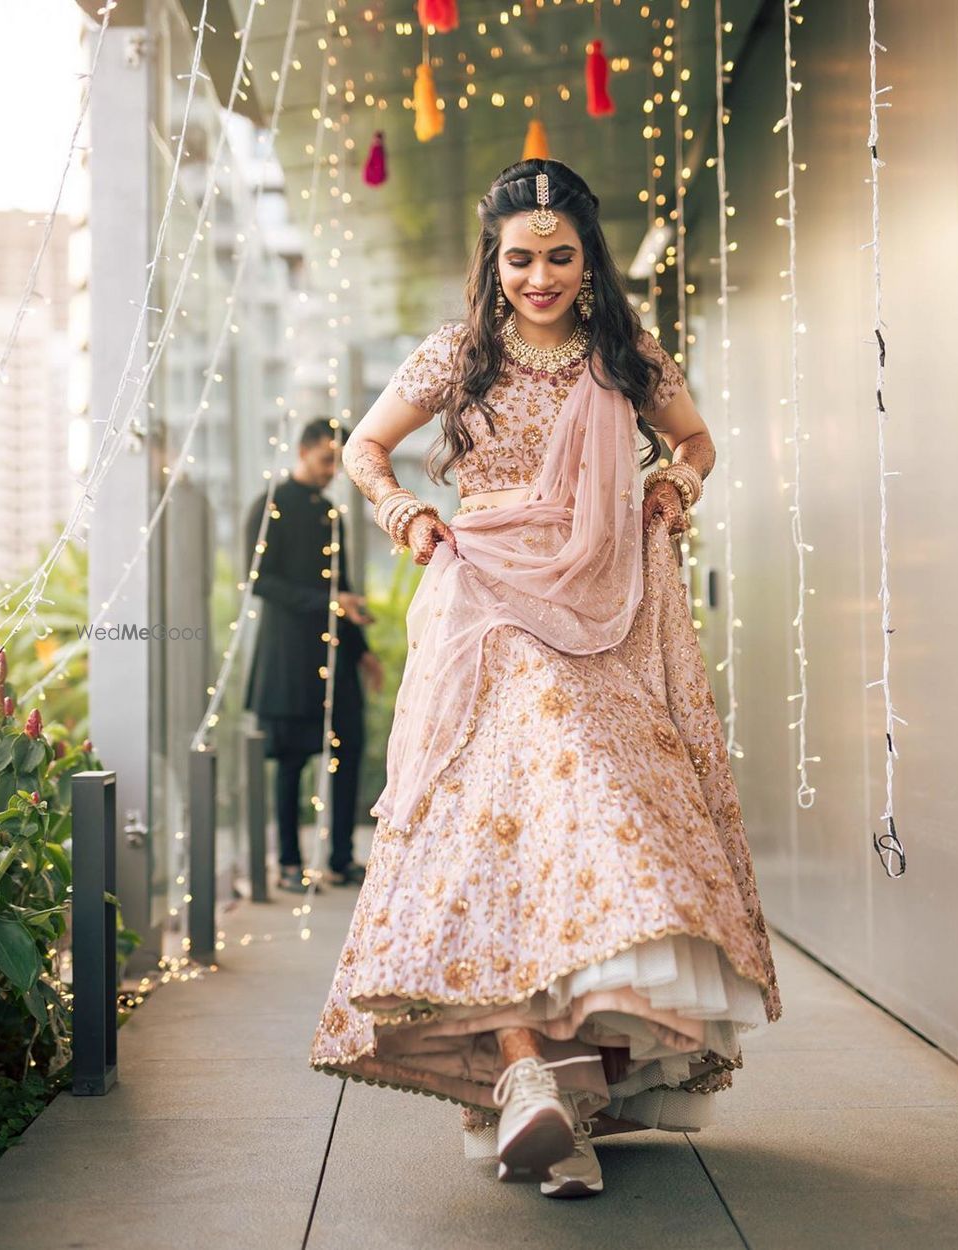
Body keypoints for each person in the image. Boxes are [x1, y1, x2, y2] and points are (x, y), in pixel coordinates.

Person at [309, 159, 782, 1199]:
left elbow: (697, 440)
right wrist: (405, 516)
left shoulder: (623, 353)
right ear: (495, 259)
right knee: (495, 809)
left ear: (586, 258)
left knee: (589, 818)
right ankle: (520, 1064)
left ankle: (560, 1099)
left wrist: (673, 482)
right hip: (486, 597)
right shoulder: (457, 355)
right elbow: (366, 448)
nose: (538, 277)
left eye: (558, 257)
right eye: (519, 259)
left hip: (607, 597)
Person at [244, 419, 384, 892]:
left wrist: (364, 651)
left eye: (337, 463)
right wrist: (327, 603)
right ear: (303, 451)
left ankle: (341, 860)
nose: (331, 472)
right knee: (289, 764)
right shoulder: (270, 507)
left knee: (347, 754)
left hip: (338, 658)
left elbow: (342, 589)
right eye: (327, 460)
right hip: (288, 659)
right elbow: (260, 581)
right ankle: (287, 865)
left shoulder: (331, 515)